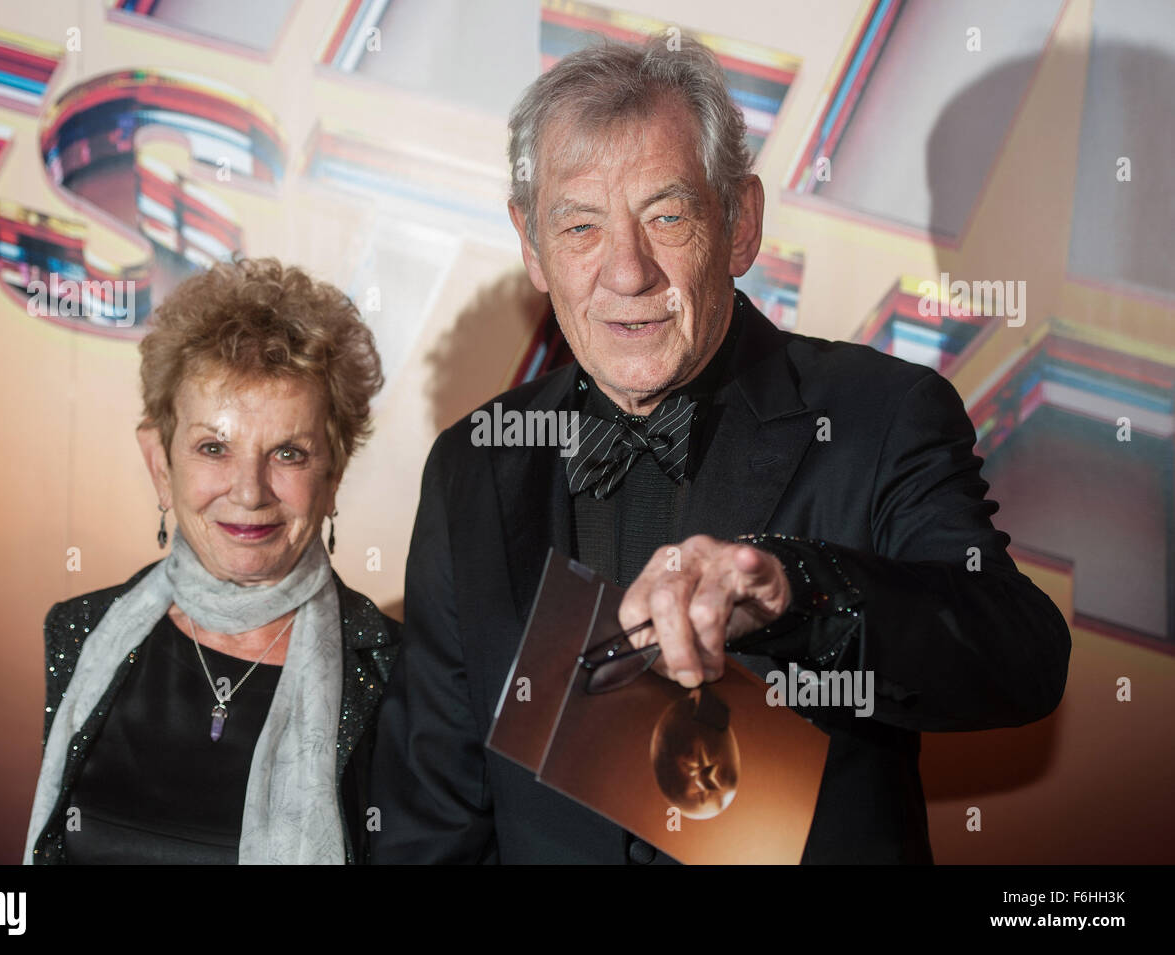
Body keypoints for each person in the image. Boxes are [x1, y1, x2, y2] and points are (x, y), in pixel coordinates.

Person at [370, 36, 1071, 864]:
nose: (626, 272)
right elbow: (433, 825)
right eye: (581, 225)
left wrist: (795, 591)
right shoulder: (474, 466)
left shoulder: (880, 415)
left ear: (740, 223)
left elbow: (1018, 654)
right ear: (532, 244)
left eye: (666, 216)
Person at [26, 257, 397, 864]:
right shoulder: (81, 632)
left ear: (333, 476)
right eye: (213, 447)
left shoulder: (395, 675)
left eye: (288, 453)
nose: (249, 492)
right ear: (160, 464)